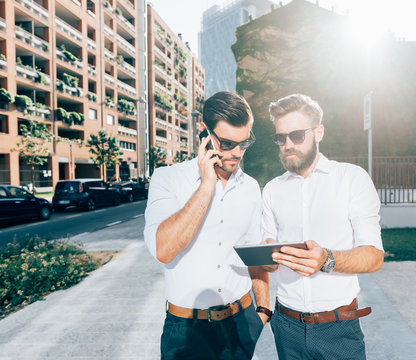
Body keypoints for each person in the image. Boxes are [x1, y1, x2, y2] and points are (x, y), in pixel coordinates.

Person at [144, 91, 270, 360]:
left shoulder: (250, 188)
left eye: (244, 142)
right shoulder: (167, 179)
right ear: (204, 132)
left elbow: (254, 254)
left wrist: (263, 311)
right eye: (226, 143)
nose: (237, 153)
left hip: (242, 323)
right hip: (187, 332)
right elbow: (164, 249)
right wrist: (207, 185)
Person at [261, 94, 385, 360]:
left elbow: (374, 256)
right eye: (280, 138)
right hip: (287, 327)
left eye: (296, 135)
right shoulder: (272, 190)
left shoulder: (351, 179)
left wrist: (327, 259)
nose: (287, 145)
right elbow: (269, 250)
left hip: (339, 328)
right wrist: (266, 258)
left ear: (318, 132)